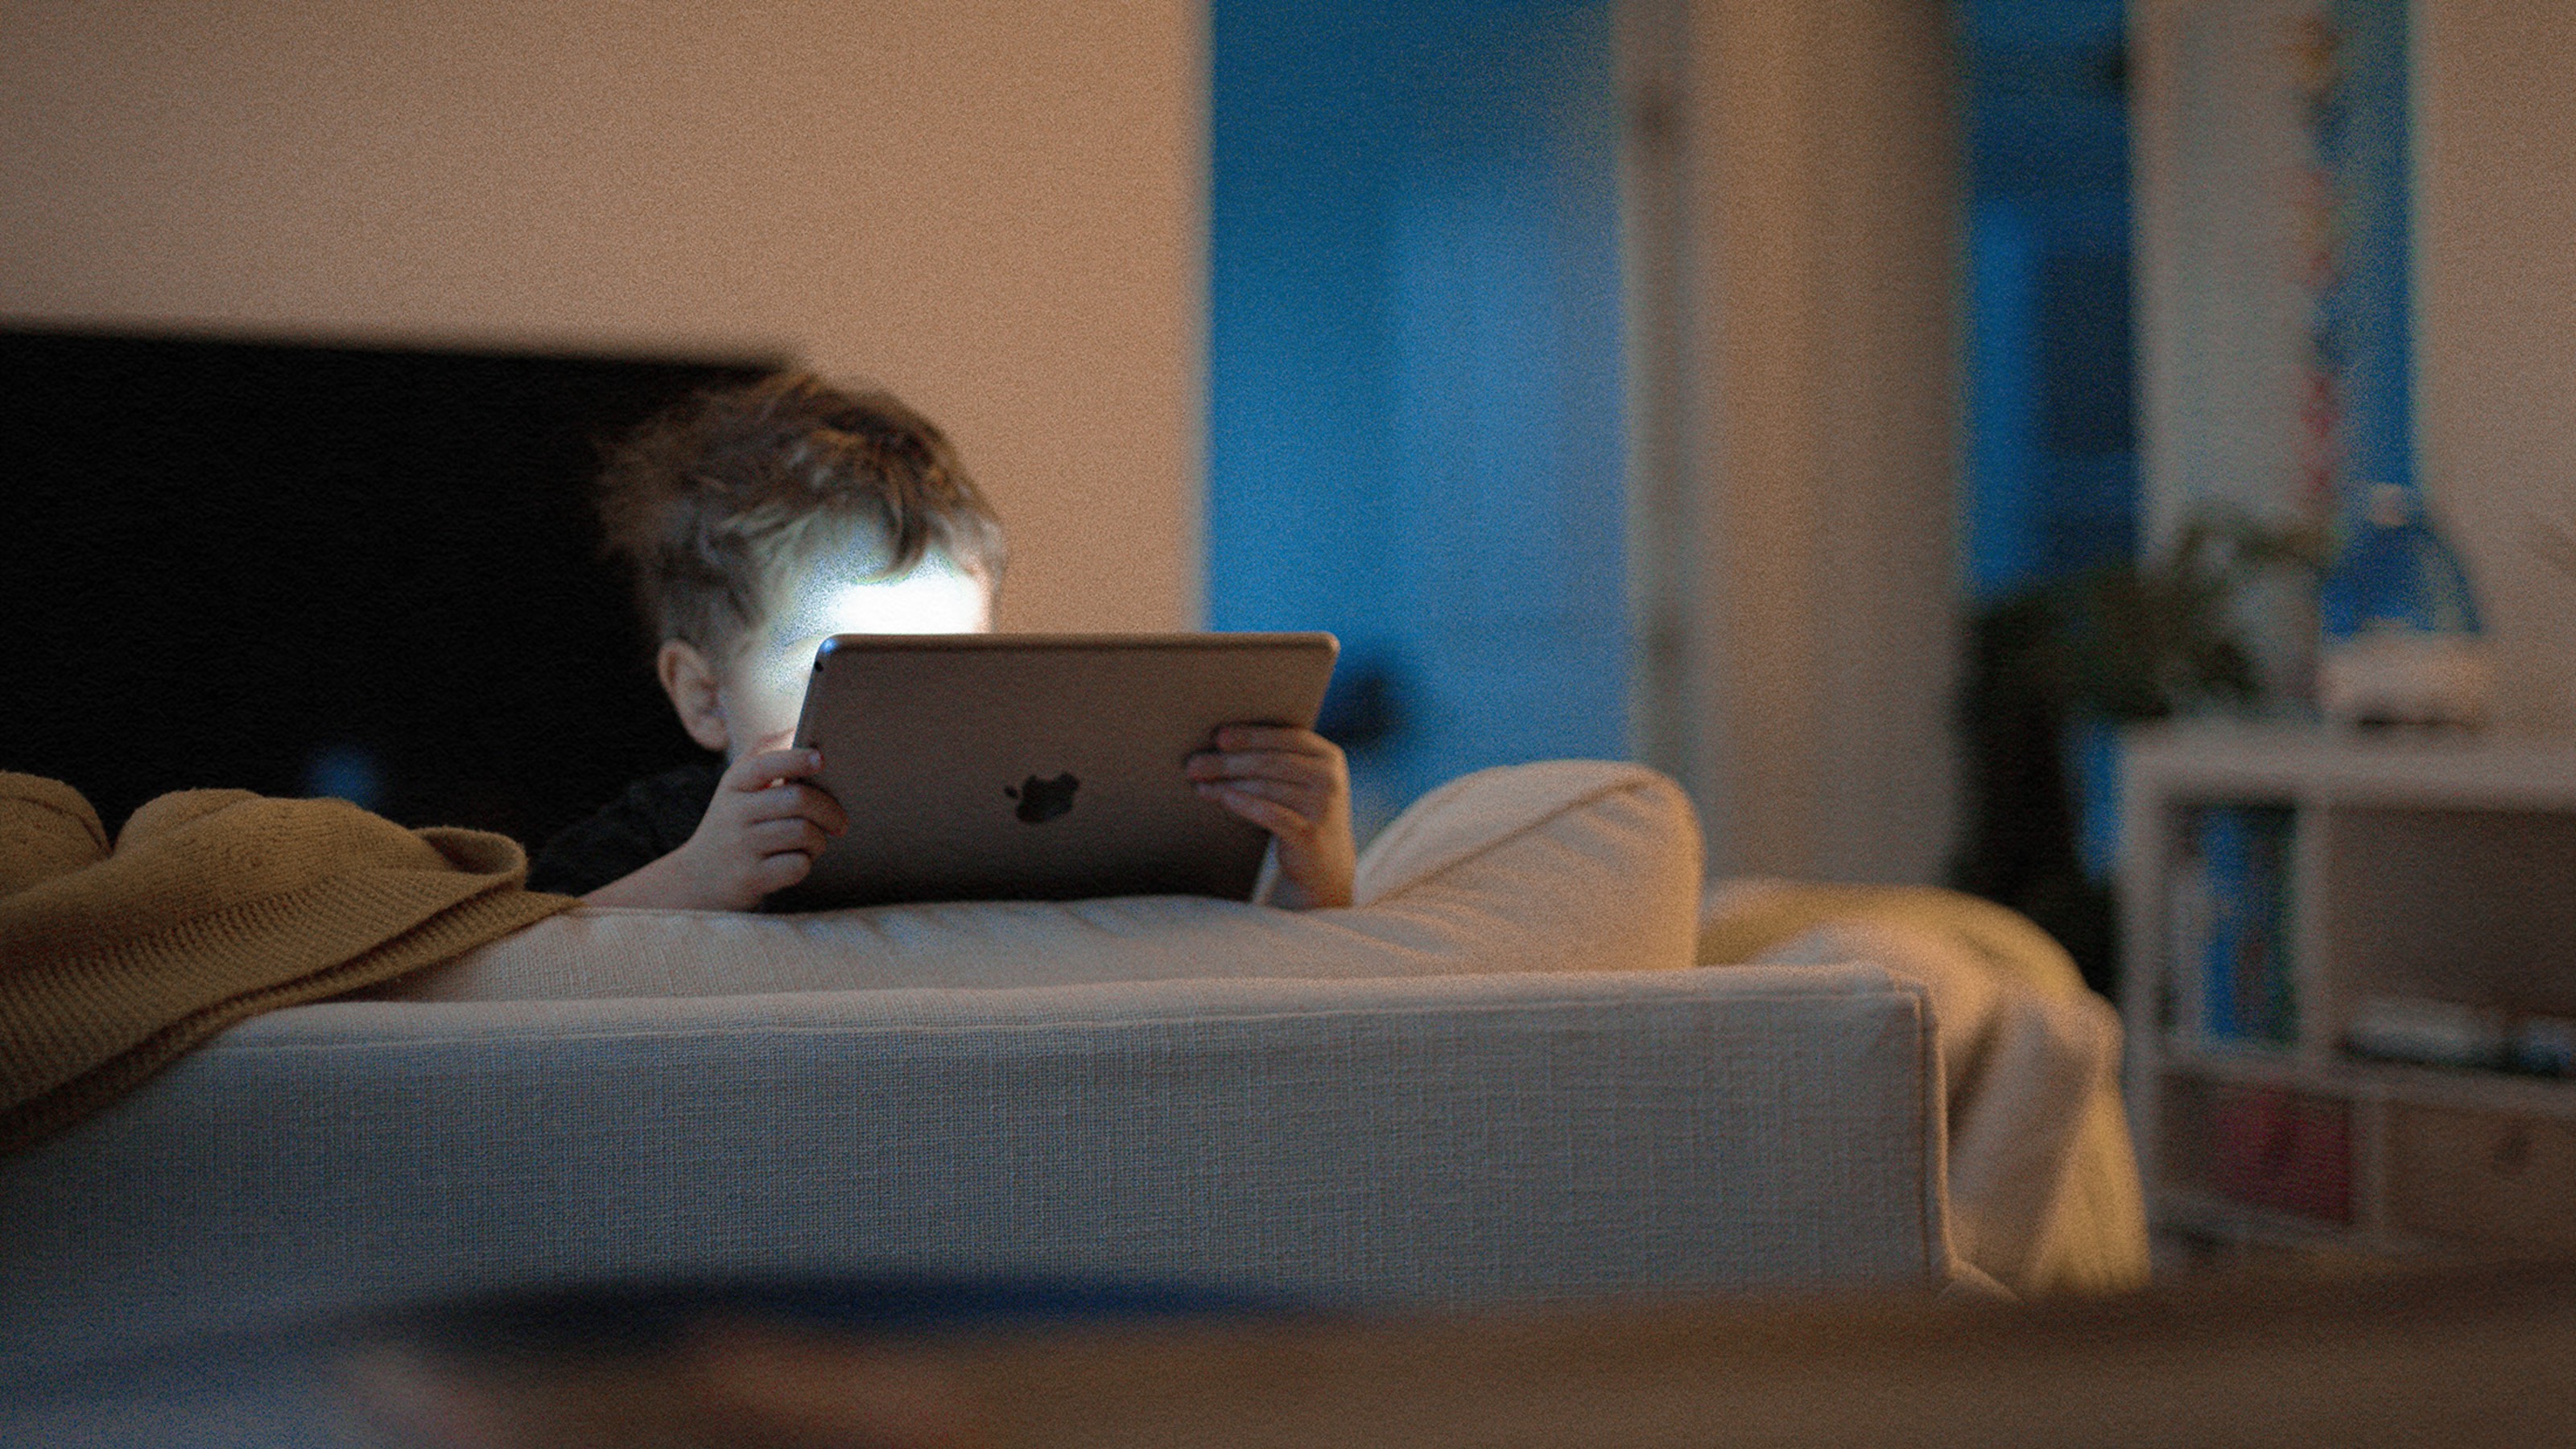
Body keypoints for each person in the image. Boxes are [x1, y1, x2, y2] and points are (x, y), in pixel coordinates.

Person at [528, 372, 1355, 910]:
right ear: (706, 697)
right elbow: (517, 964)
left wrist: (1315, 872)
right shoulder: (670, 829)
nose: (911, 709)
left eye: (950, 659)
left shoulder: (1032, 826)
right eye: (847, 664)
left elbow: (1226, 964)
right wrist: (696, 879)